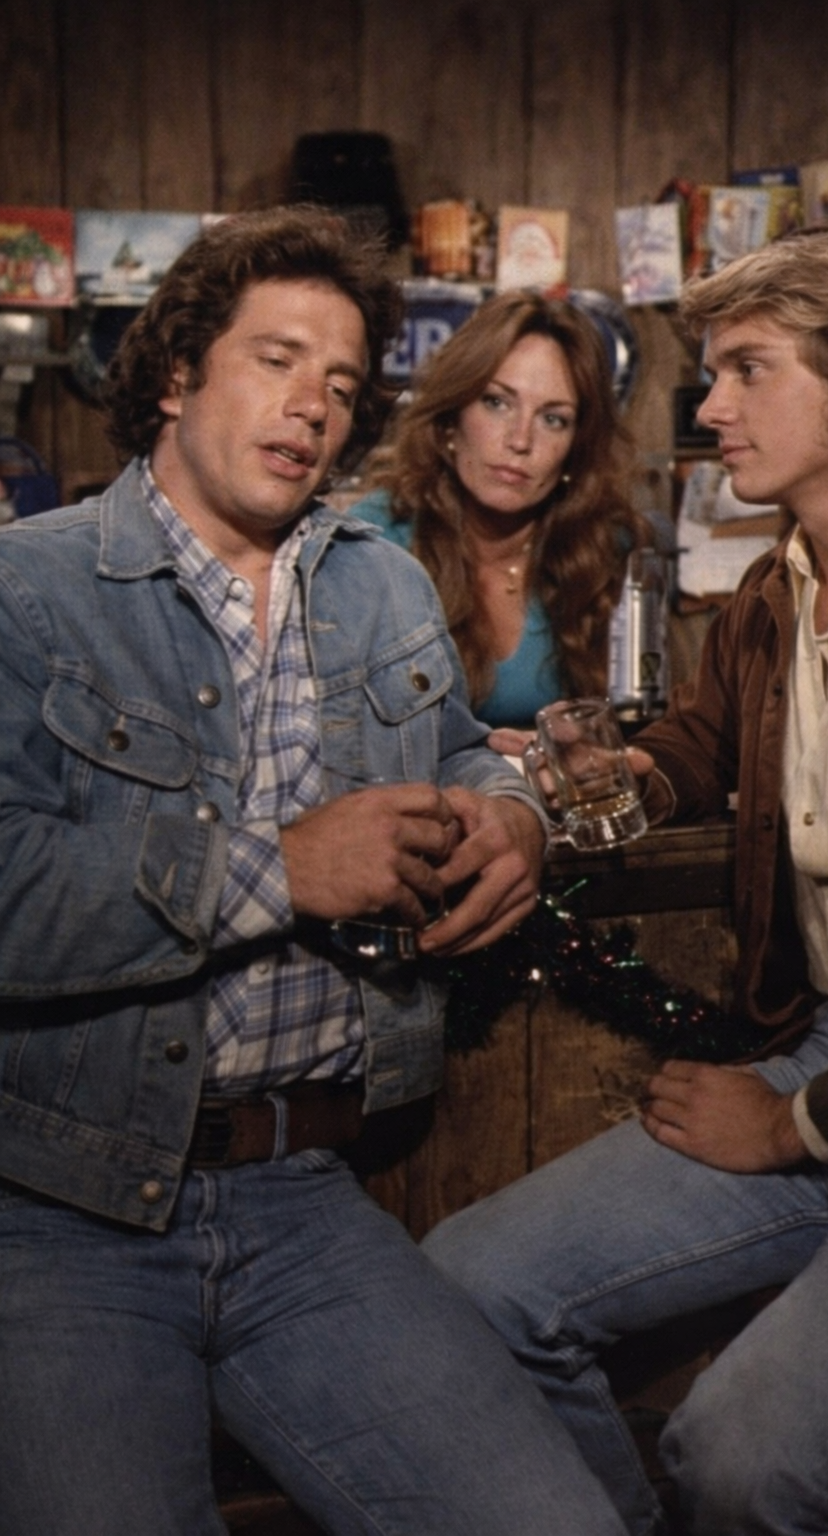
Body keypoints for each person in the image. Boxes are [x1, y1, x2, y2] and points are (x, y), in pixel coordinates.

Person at [0, 207, 629, 1536]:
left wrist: (514, 820)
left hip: (303, 1200)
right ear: (177, 374)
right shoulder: (28, 592)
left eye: (341, 385)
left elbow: (466, 758)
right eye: (277, 360)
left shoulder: (378, 587)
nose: (312, 408)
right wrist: (278, 870)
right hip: (60, 1205)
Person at [423, 222, 828, 1535]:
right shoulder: (772, 590)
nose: (710, 407)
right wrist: (633, 778)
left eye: (748, 368)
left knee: (744, 1461)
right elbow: (707, 739)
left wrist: (787, 1128)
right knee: (467, 1287)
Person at [349, 289, 654, 734]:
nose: (520, 440)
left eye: (553, 419)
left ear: (576, 447)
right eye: (497, 402)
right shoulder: (375, 541)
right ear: (452, 418)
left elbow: (641, 726)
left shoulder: (608, 546)